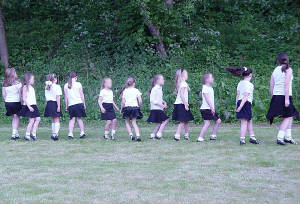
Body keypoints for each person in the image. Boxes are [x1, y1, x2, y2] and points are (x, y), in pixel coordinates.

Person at [266, 53, 300, 145]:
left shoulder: (275, 70)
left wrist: (273, 96)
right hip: (285, 96)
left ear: (278, 61)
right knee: (288, 117)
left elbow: (271, 84)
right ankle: (280, 138)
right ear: (287, 60)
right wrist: (286, 99)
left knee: (290, 115)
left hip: (277, 95)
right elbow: (286, 84)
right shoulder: (289, 69)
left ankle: (288, 137)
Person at [227, 67, 259, 145]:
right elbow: (246, 96)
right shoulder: (250, 84)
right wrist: (241, 106)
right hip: (245, 103)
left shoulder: (240, 83)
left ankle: (252, 137)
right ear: (250, 75)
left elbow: (238, 95)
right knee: (244, 122)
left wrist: (236, 105)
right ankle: (242, 139)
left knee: (249, 120)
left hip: (240, 102)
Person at [197, 73, 221, 142]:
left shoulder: (210, 88)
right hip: (207, 109)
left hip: (209, 108)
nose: (213, 79)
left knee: (216, 121)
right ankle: (201, 137)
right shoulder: (205, 87)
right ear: (207, 80)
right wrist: (212, 108)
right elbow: (207, 99)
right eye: (211, 77)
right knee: (209, 123)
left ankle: (213, 135)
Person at [172, 69, 194, 141]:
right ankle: (177, 135)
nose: (187, 75)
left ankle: (186, 135)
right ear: (183, 75)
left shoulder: (183, 83)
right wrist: (185, 104)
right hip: (181, 104)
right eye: (186, 74)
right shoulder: (183, 83)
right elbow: (181, 94)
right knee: (182, 121)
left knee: (186, 120)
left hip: (181, 104)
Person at [18, 73, 41, 141]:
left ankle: (33, 133)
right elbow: (24, 98)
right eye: (32, 79)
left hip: (34, 105)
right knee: (31, 121)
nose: (33, 80)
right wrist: (29, 107)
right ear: (28, 80)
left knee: (38, 119)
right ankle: (27, 135)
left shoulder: (32, 87)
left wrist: (33, 106)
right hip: (29, 105)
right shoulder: (25, 87)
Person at [64, 71, 87, 139]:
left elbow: (66, 97)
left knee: (72, 119)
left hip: (71, 105)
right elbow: (82, 94)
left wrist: (66, 105)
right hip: (79, 103)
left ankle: (70, 134)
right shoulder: (78, 84)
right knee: (79, 118)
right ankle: (82, 132)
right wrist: (84, 104)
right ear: (76, 77)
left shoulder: (66, 85)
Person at [1, 68, 22, 140]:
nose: (16, 73)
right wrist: (22, 101)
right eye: (15, 72)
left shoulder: (5, 83)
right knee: (16, 118)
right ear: (13, 74)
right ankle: (13, 135)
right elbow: (20, 94)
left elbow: (3, 94)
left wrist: (6, 101)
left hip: (8, 102)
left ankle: (16, 134)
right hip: (15, 102)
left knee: (14, 118)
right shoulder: (18, 83)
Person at [120, 77, 143, 141]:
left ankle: (131, 135)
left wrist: (121, 109)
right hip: (135, 108)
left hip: (127, 108)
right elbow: (140, 101)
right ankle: (138, 136)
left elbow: (123, 102)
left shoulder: (125, 91)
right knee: (134, 122)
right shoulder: (136, 90)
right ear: (134, 83)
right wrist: (140, 107)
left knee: (127, 122)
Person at [147, 74, 169, 139]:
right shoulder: (155, 89)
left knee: (159, 122)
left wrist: (163, 102)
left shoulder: (160, 88)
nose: (163, 80)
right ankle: (159, 133)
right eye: (162, 79)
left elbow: (158, 99)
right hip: (156, 108)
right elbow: (152, 100)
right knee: (166, 120)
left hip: (159, 108)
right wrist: (162, 105)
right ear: (157, 80)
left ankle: (153, 134)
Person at [44, 73, 63, 141]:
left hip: (49, 103)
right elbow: (58, 97)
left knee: (53, 119)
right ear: (55, 79)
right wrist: (58, 106)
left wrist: (46, 105)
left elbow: (46, 98)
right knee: (57, 119)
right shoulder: (57, 86)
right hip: (54, 103)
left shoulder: (46, 87)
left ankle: (53, 133)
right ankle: (55, 134)